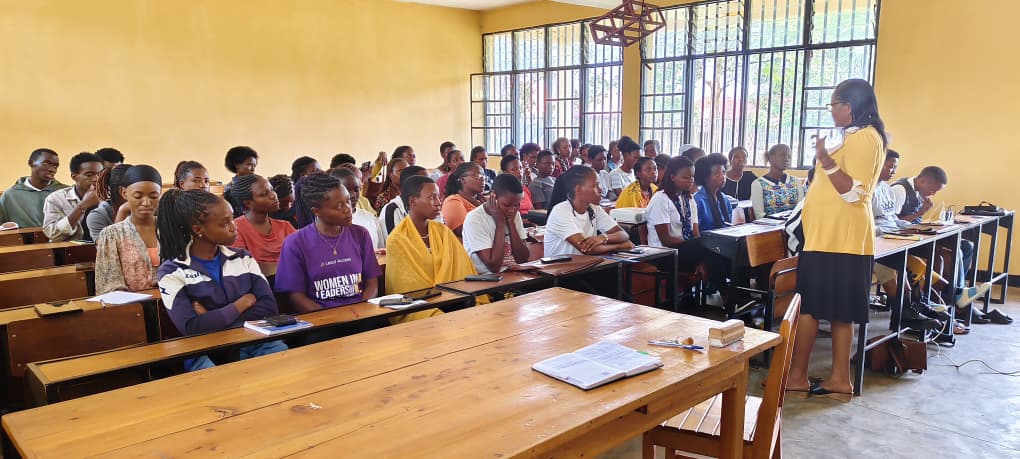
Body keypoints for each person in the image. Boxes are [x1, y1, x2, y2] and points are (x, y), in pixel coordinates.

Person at [788, 79, 887, 399]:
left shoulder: (865, 138)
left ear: (850, 106)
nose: (831, 110)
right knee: (840, 311)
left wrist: (825, 159)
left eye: (834, 104)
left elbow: (855, 193)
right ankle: (838, 378)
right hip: (831, 238)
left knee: (809, 309)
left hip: (836, 239)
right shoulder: (857, 136)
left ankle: (798, 376)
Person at [156, 189, 287, 371]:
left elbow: (268, 307)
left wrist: (211, 316)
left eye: (232, 219)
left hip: (253, 339)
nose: (234, 227)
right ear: (198, 230)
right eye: (225, 223)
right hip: (207, 350)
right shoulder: (172, 271)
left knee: (285, 366)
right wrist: (242, 303)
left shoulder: (242, 258)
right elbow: (192, 327)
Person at [275, 174, 381, 312]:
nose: (348, 208)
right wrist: (331, 319)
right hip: (320, 320)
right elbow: (297, 297)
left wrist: (362, 311)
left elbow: (372, 283)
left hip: (361, 313)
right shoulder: (295, 243)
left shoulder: (360, 234)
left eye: (348, 201)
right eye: (339, 205)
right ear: (316, 211)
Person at [386, 175, 478, 322]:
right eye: (431, 198)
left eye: (438, 197)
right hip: (420, 307)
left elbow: (463, 269)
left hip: (453, 301)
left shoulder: (443, 231)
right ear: (412, 201)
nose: (438, 203)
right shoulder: (397, 240)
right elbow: (406, 288)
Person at [95, 165, 162, 294]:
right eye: (138, 196)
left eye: (153, 196)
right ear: (124, 193)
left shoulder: (171, 228)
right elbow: (109, 284)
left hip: (175, 306)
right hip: (134, 307)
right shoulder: (111, 235)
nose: (146, 202)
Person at [544, 166, 633, 257]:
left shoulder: (594, 208)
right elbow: (586, 248)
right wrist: (619, 246)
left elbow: (623, 234)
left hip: (587, 265)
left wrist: (603, 237)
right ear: (578, 189)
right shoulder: (561, 211)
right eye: (595, 185)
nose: (600, 190)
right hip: (561, 269)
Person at [462, 174, 530, 274]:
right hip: (486, 281)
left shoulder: (514, 214)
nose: (512, 210)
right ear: (493, 195)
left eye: (516, 205)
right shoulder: (475, 219)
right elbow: (494, 267)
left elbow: (523, 259)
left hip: (514, 275)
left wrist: (511, 223)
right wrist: (500, 224)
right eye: (507, 205)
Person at [230, 174, 296, 264]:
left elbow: (302, 257)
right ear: (249, 203)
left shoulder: (285, 226)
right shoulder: (235, 229)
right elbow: (243, 267)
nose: (273, 196)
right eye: (264, 194)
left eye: (272, 190)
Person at [43, 152, 103, 242]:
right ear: (74, 177)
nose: (96, 179)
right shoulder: (55, 199)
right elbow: (53, 235)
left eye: (100, 175)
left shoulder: (109, 197)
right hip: (69, 252)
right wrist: (82, 206)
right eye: (89, 175)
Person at [0, 148, 66, 228]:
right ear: (31, 163)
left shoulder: (65, 192)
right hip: (24, 240)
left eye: (55, 166)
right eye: (46, 163)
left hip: (63, 240)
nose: (52, 169)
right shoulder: (10, 196)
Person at [333, 168, 386, 250]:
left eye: (356, 189)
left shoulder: (370, 218)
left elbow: (380, 249)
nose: (353, 195)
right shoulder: (328, 222)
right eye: (347, 190)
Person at [750, 144, 804, 220]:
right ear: (770, 158)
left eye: (789, 156)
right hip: (770, 228)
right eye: (781, 155)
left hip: (793, 227)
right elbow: (759, 216)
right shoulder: (758, 184)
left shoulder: (795, 181)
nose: (786, 159)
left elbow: (801, 209)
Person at [379, 165, 430, 235]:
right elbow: (397, 243)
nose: (431, 185)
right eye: (425, 183)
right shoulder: (393, 210)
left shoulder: (431, 206)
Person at [87, 164, 131, 240]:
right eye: (139, 193)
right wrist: (123, 211)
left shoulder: (152, 211)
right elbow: (108, 249)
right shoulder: (99, 216)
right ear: (123, 192)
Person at [441, 162, 484, 239]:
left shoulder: (482, 200)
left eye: (483, 176)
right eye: (477, 176)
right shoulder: (453, 201)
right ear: (463, 180)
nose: (482, 179)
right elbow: (467, 231)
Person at [692, 154, 733, 231]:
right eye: (717, 174)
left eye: (723, 172)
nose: (722, 177)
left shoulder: (725, 199)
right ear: (705, 177)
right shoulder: (697, 201)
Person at [222, 146, 259, 218]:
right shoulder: (230, 189)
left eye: (254, 165)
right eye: (249, 164)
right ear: (237, 165)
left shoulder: (258, 184)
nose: (253, 169)